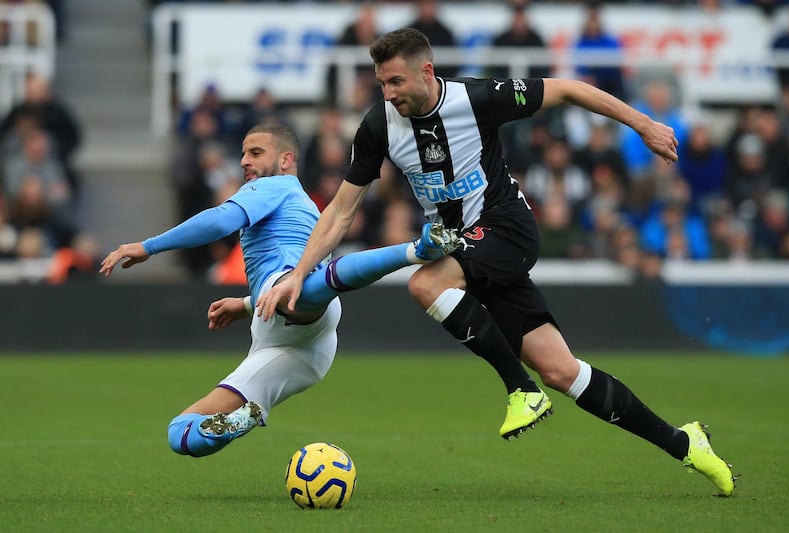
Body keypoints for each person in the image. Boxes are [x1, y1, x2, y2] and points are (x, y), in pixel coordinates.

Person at [260, 28, 735, 497]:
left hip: (506, 229)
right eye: (382, 83)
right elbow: (341, 210)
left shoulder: (478, 97)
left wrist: (645, 124)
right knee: (562, 371)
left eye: (396, 82)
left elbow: (568, 89)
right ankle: (685, 443)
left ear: (426, 71)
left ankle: (519, 390)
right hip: (466, 250)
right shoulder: (379, 126)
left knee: (424, 285)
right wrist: (300, 274)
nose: (388, 93)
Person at [99, 122, 458, 458]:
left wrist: (148, 247)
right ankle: (241, 420)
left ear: (286, 160)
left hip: (295, 303)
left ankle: (415, 250)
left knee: (296, 287)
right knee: (181, 433)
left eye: (255, 152)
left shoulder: (272, 187)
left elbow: (221, 220)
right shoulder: (304, 205)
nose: (244, 161)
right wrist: (245, 303)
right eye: (243, 154)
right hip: (304, 348)